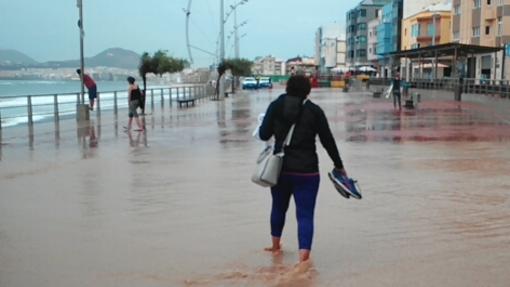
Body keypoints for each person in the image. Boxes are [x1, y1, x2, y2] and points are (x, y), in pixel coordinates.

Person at [258, 75, 348, 263]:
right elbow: (328, 141)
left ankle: (275, 248)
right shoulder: (314, 111)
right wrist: (339, 166)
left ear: (288, 87)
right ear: (308, 90)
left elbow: (263, 134)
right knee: (305, 215)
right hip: (307, 171)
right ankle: (303, 260)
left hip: (280, 168)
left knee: (278, 208)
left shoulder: (275, 106)